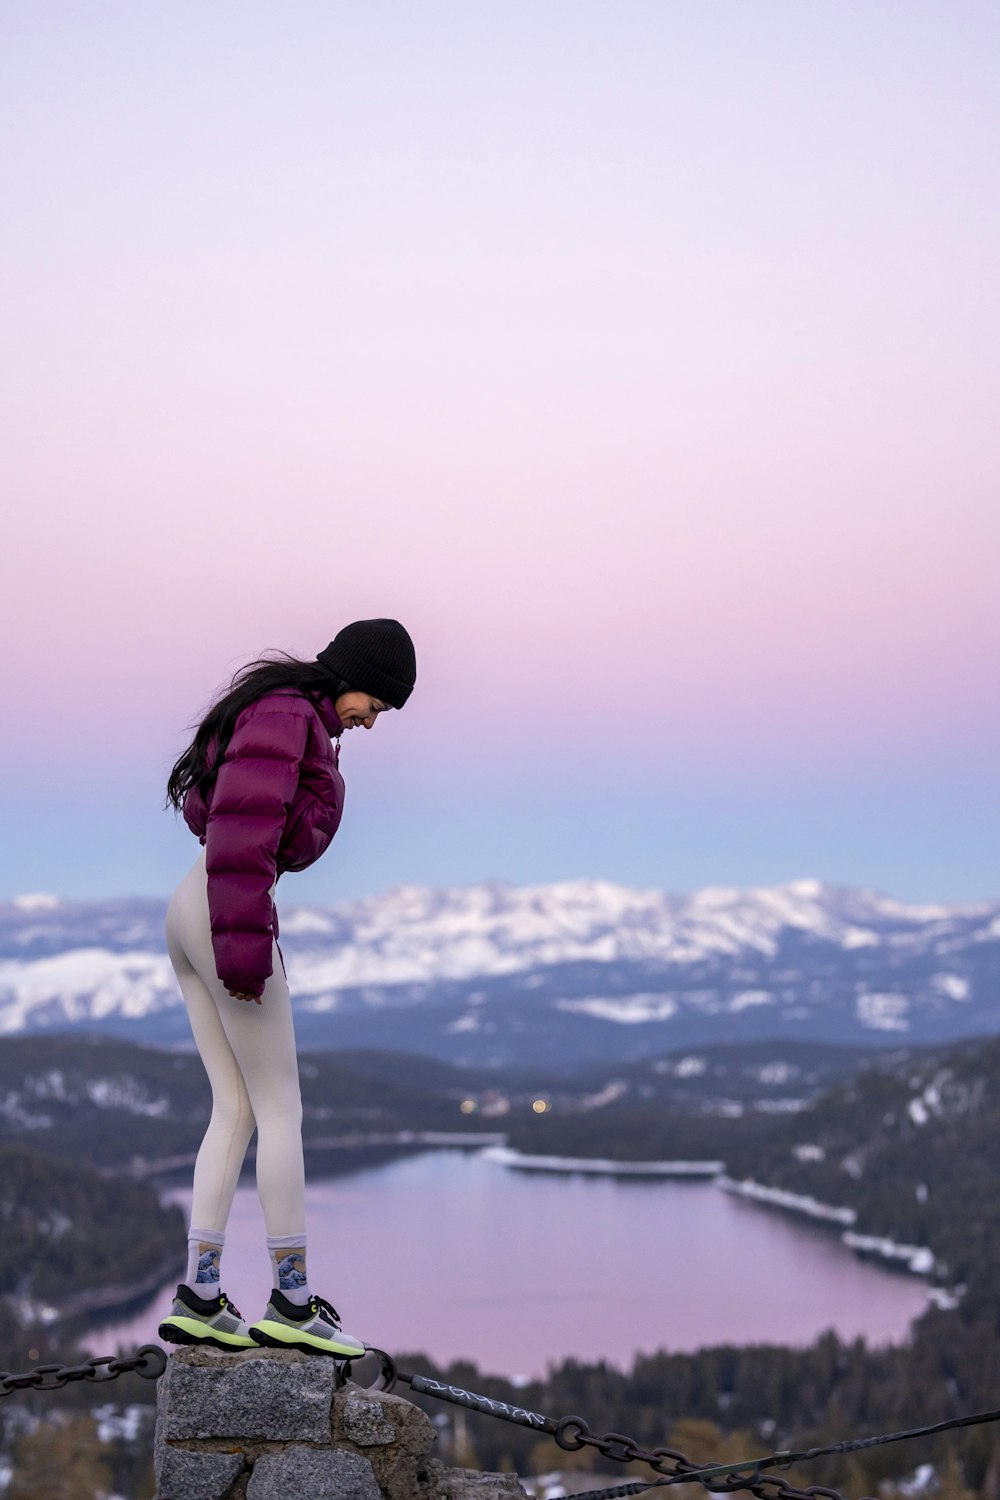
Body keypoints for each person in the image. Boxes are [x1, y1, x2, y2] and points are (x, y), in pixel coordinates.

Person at [157, 618, 416, 1357]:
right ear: (351, 676)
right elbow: (242, 839)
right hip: (223, 910)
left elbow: (231, 819)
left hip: (193, 907)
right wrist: (244, 951)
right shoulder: (288, 718)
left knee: (234, 1107)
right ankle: (293, 1302)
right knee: (281, 1109)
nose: (374, 718)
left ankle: (200, 1295)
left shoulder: (280, 714)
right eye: (379, 702)